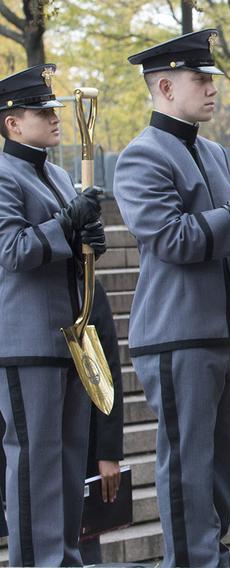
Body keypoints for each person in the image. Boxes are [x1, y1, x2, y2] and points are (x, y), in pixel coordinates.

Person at [114, 29, 230, 567]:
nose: (212, 89)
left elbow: (213, 242)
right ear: (164, 86)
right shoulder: (141, 156)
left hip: (218, 330)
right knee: (187, 469)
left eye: (211, 79)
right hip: (175, 334)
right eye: (200, 79)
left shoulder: (210, 150)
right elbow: (173, 239)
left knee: (220, 468)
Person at [0, 63, 106, 566]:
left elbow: (66, 244)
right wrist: (68, 224)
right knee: (35, 462)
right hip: (28, 339)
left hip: (71, 334)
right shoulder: (2, 175)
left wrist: (87, 242)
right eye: (40, 111)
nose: (53, 117)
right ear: (11, 123)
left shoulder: (59, 172)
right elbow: (14, 250)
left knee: (67, 464)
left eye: (53, 108)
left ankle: (63, 559)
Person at [78, 280, 124, 564]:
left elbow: (108, 373)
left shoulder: (87, 287)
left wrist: (108, 451)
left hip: (84, 446)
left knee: (86, 546)